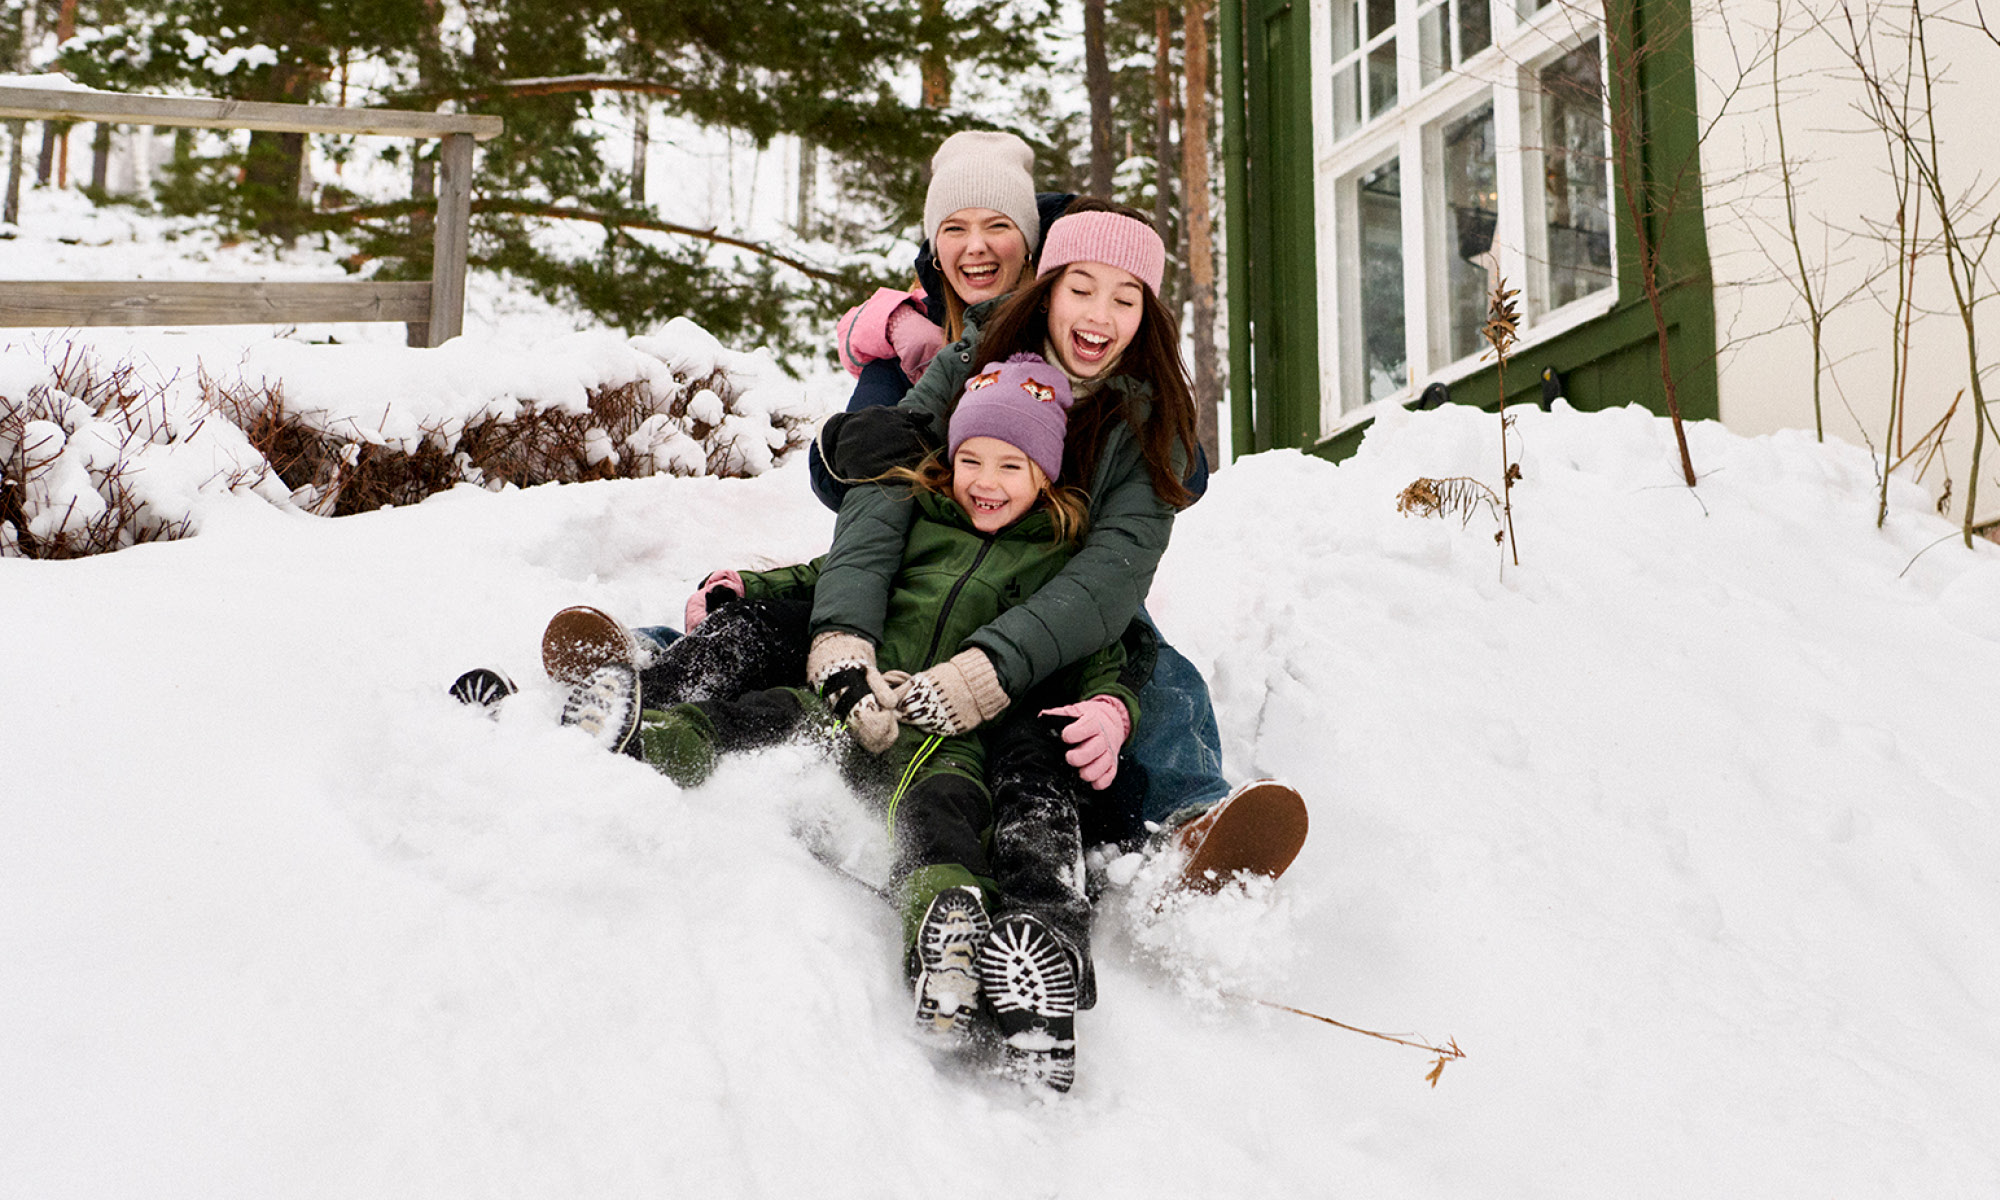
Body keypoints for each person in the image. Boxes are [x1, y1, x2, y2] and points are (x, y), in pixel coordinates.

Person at [558, 353, 1127, 1093]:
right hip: (852, 697)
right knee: (762, 718)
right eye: (972, 460)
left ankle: (944, 941)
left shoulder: (1061, 564)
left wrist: (1114, 710)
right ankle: (647, 740)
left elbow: (1101, 647)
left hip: (948, 742)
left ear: (1045, 475)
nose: (986, 481)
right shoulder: (921, 520)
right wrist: (749, 584)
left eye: (1011, 466)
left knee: (944, 817)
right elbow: (834, 574)